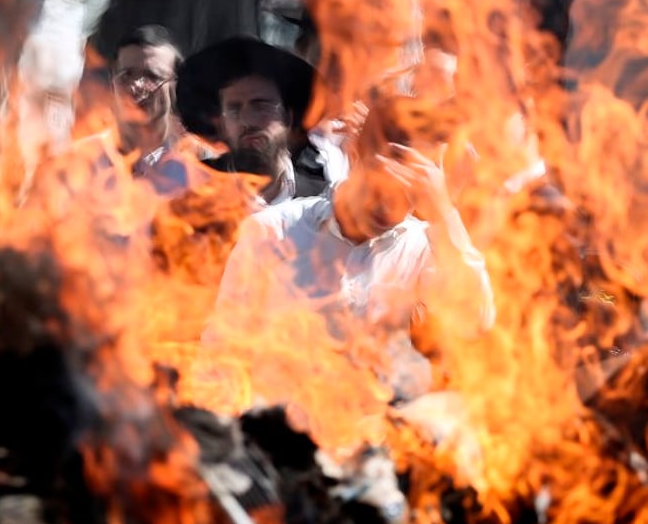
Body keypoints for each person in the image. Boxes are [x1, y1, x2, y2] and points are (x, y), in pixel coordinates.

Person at [195, 94, 495, 410]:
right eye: (386, 178)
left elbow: (474, 320)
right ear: (355, 153)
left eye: (414, 188)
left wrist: (443, 214)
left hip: (366, 442)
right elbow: (222, 348)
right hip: (274, 435)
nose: (392, 201)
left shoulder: (421, 248)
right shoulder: (273, 231)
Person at [176, 36, 347, 206]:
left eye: (260, 106)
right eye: (234, 109)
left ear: (288, 117)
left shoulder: (321, 199)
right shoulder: (191, 191)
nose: (247, 120)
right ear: (221, 123)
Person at [109, 25, 215, 176]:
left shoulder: (203, 162)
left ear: (176, 86)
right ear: (112, 81)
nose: (136, 86)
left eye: (152, 76)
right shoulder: (82, 160)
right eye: (127, 74)